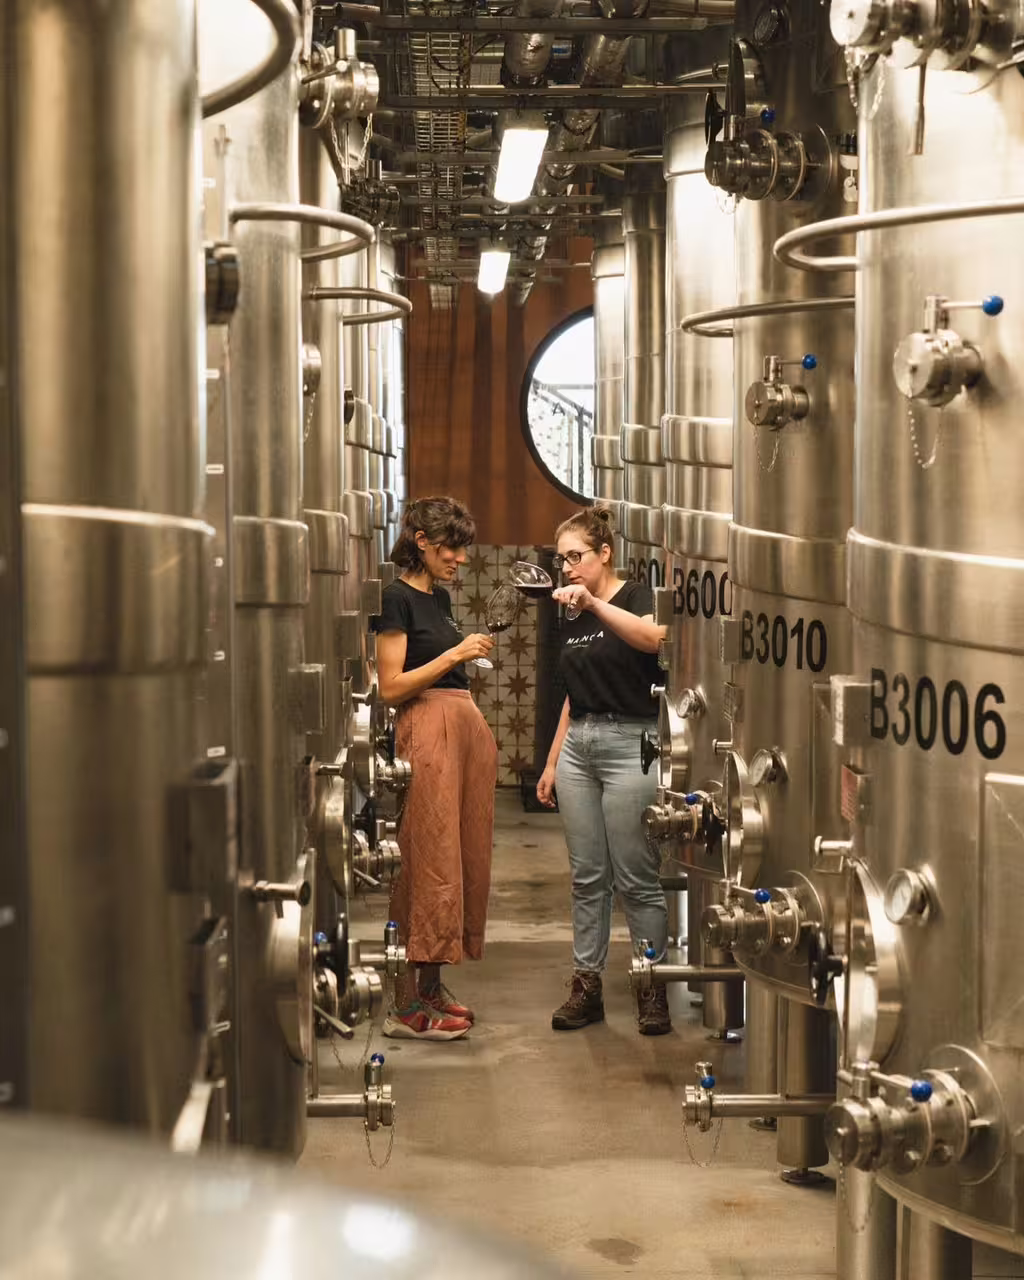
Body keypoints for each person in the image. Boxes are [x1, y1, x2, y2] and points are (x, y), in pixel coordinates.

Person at [537, 507, 672, 1036]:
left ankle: (651, 986)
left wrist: (594, 603)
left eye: (576, 557)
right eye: (561, 559)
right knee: (587, 877)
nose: (567, 568)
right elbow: (572, 698)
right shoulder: (569, 613)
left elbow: (655, 639)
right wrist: (551, 762)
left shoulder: (634, 597)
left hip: (632, 743)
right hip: (580, 747)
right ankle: (586, 987)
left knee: (637, 877)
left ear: (605, 554)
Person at [374, 496, 498, 1041]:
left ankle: (430, 984)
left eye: (462, 547)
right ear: (421, 541)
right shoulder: (395, 598)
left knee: (461, 858)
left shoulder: (440, 598)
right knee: (427, 858)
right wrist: (456, 654)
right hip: (426, 732)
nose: (460, 558)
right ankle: (405, 1002)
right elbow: (391, 686)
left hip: (460, 731)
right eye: (451, 546)